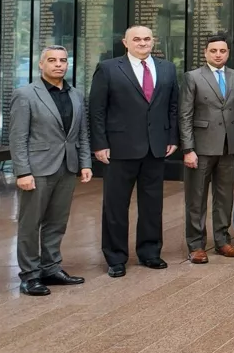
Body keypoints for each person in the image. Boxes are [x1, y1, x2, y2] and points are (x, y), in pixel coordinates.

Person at [89, 25, 179, 278]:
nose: (142, 43)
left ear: (154, 41)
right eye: (136, 39)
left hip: (156, 147)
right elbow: (97, 110)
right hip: (119, 148)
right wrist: (99, 144)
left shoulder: (167, 68)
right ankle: (115, 258)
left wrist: (171, 137)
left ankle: (150, 252)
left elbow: (173, 106)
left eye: (147, 39)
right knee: (116, 206)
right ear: (125, 42)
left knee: (152, 205)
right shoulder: (108, 68)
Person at [10, 45, 91, 296]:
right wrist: (22, 172)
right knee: (30, 224)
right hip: (36, 170)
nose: (59, 64)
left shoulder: (76, 94)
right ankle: (30, 275)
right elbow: (17, 137)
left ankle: (51, 268)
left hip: (66, 167)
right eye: (52, 60)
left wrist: (85, 163)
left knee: (57, 222)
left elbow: (82, 134)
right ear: (41, 65)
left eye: (63, 60)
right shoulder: (26, 94)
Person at [178, 35, 234, 263]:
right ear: (205, 52)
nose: (218, 54)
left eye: (222, 51)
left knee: (224, 197)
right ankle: (196, 245)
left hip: (229, 147)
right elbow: (185, 115)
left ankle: (222, 240)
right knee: (196, 198)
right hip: (200, 148)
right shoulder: (192, 77)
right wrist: (188, 148)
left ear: (228, 53)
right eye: (213, 51)